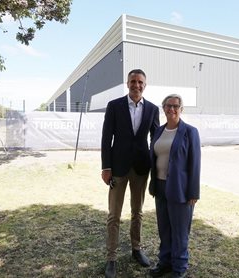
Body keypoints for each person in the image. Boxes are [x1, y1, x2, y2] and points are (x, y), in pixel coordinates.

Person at [101, 69, 160, 278]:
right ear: (127, 84)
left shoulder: (152, 109)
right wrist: (106, 167)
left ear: (145, 85)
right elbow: (106, 137)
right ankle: (111, 258)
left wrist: (156, 169)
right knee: (114, 215)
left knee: (138, 212)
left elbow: (156, 141)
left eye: (140, 82)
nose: (137, 85)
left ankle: (136, 249)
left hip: (141, 168)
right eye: (133, 81)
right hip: (117, 168)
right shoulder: (114, 106)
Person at [148, 94, 201, 278]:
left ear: (181, 109)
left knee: (179, 232)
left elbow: (195, 164)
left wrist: (194, 191)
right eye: (168, 106)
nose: (172, 109)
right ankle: (165, 263)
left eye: (175, 106)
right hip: (160, 187)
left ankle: (179, 268)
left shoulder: (190, 132)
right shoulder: (158, 131)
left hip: (181, 190)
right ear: (163, 108)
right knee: (164, 229)